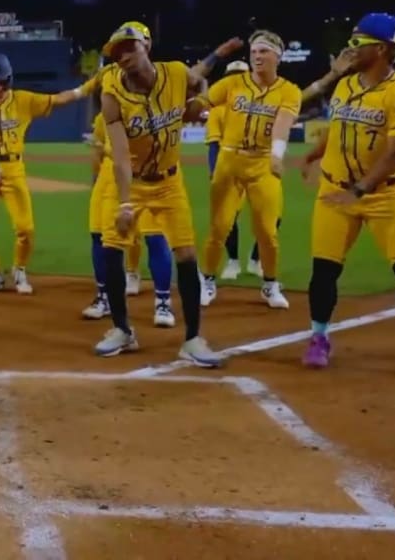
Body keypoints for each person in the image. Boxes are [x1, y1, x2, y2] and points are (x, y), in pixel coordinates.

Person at [298, 13, 395, 384]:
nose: (350, 48)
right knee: (324, 271)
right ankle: (319, 338)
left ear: (381, 49)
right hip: (334, 191)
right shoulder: (345, 85)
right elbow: (337, 129)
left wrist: (359, 191)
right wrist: (313, 155)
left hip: (384, 195)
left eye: (357, 42)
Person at [92, 22, 243, 364]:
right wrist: (125, 203)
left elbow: (198, 78)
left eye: (129, 47)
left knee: (186, 255)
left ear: (146, 46)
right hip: (131, 182)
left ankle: (192, 339)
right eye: (117, 53)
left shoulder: (174, 73)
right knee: (111, 249)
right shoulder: (112, 95)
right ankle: (122, 330)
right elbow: (119, 156)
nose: (124, 56)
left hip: (169, 183)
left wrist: (201, 99)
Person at [0, 53, 98, 295]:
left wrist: (85, 89)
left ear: (8, 80)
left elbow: (57, 100)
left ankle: (19, 270)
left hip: (14, 168)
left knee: (25, 228)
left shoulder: (23, 100)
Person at [197, 28, 300, 311]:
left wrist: (277, 154)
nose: (257, 56)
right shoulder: (232, 83)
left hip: (263, 163)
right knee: (219, 227)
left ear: (278, 56)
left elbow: (283, 122)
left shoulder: (289, 91)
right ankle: (207, 279)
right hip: (229, 161)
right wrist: (190, 106)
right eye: (254, 51)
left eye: (263, 51)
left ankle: (270, 284)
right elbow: (204, 102)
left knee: (267, 231)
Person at [82, 109, 179, 326]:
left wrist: (104, 149)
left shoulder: (152, 115)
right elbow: (97, 154)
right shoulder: (103, 117)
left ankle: (163, 302)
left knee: (155, 237)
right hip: (107, 181)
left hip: (143, 180)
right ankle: (104, 296)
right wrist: (96, 181)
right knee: (99, 236)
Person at [203, 59, 270, 282]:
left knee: (271, 217)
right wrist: (215, 173)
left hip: (258, 169)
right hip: (230, 170)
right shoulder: (218, 111)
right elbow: (214, 144)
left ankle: (255, 260)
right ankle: (232, 261)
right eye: (233, 76)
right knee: (229, 219)